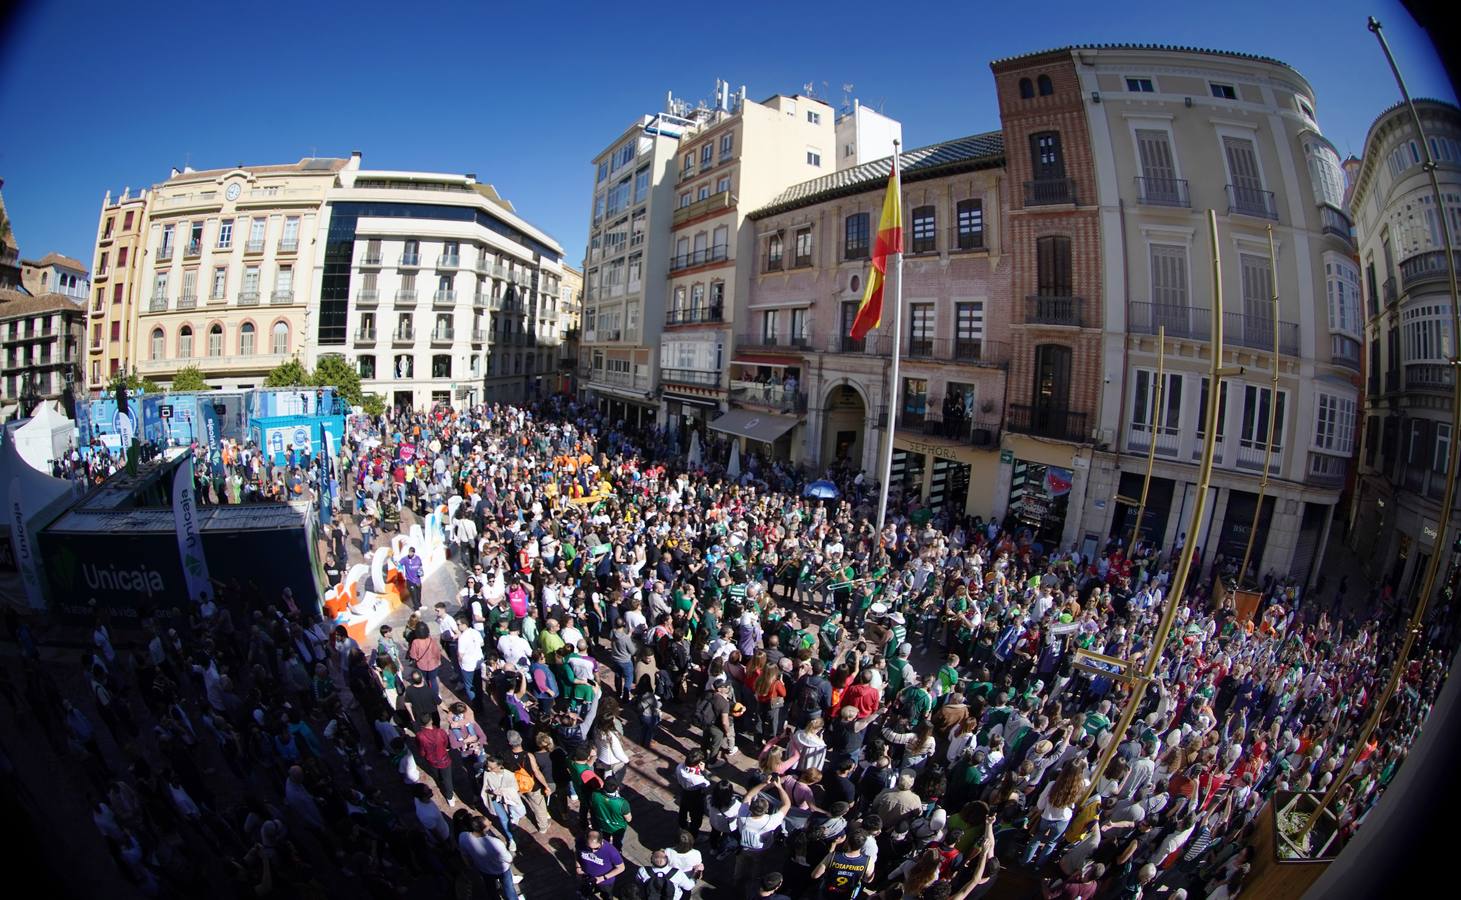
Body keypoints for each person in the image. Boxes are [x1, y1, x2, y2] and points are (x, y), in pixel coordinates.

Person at [734, 776, 791, 889]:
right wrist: (779, 787)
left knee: (740, 863)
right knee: (757, 864)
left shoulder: (743, 814)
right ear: (766, 810)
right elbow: (787, 804)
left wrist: (764, 783)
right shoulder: (771, 821)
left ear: (751, 808)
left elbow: (749, 795)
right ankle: (754, 879)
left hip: (744, 847)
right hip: (761, 848)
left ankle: (736, 879)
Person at [458, 815, 521, 900]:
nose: (491, 822)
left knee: (491, 889)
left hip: (484, 870)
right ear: (483, 829)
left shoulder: (463, 837)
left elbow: (465, 854)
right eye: (488, 824)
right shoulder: (495, 843)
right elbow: (508, 859)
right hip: (502, 870)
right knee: (508, 888)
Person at [576, 829, 626, 899]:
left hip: (605, 882)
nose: (593, 851)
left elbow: (621, 868)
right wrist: (578, 867)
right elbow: (578, 854)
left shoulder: (611, 851)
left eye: (596, 848)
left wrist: (603, 878)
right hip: (587, 876)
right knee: (586, 889)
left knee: (607, 896)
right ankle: (584, 894)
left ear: (601, 841)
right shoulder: (580, 842)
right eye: (589, 848)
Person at [591, 776, 633, 848]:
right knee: (617, 842)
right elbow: (629, 819)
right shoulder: (622, 803)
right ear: (617, 788)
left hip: (603, 825)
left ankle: (606, 848)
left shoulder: (595, 795)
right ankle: (617, 851)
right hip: (617, 828)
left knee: (605, 840)